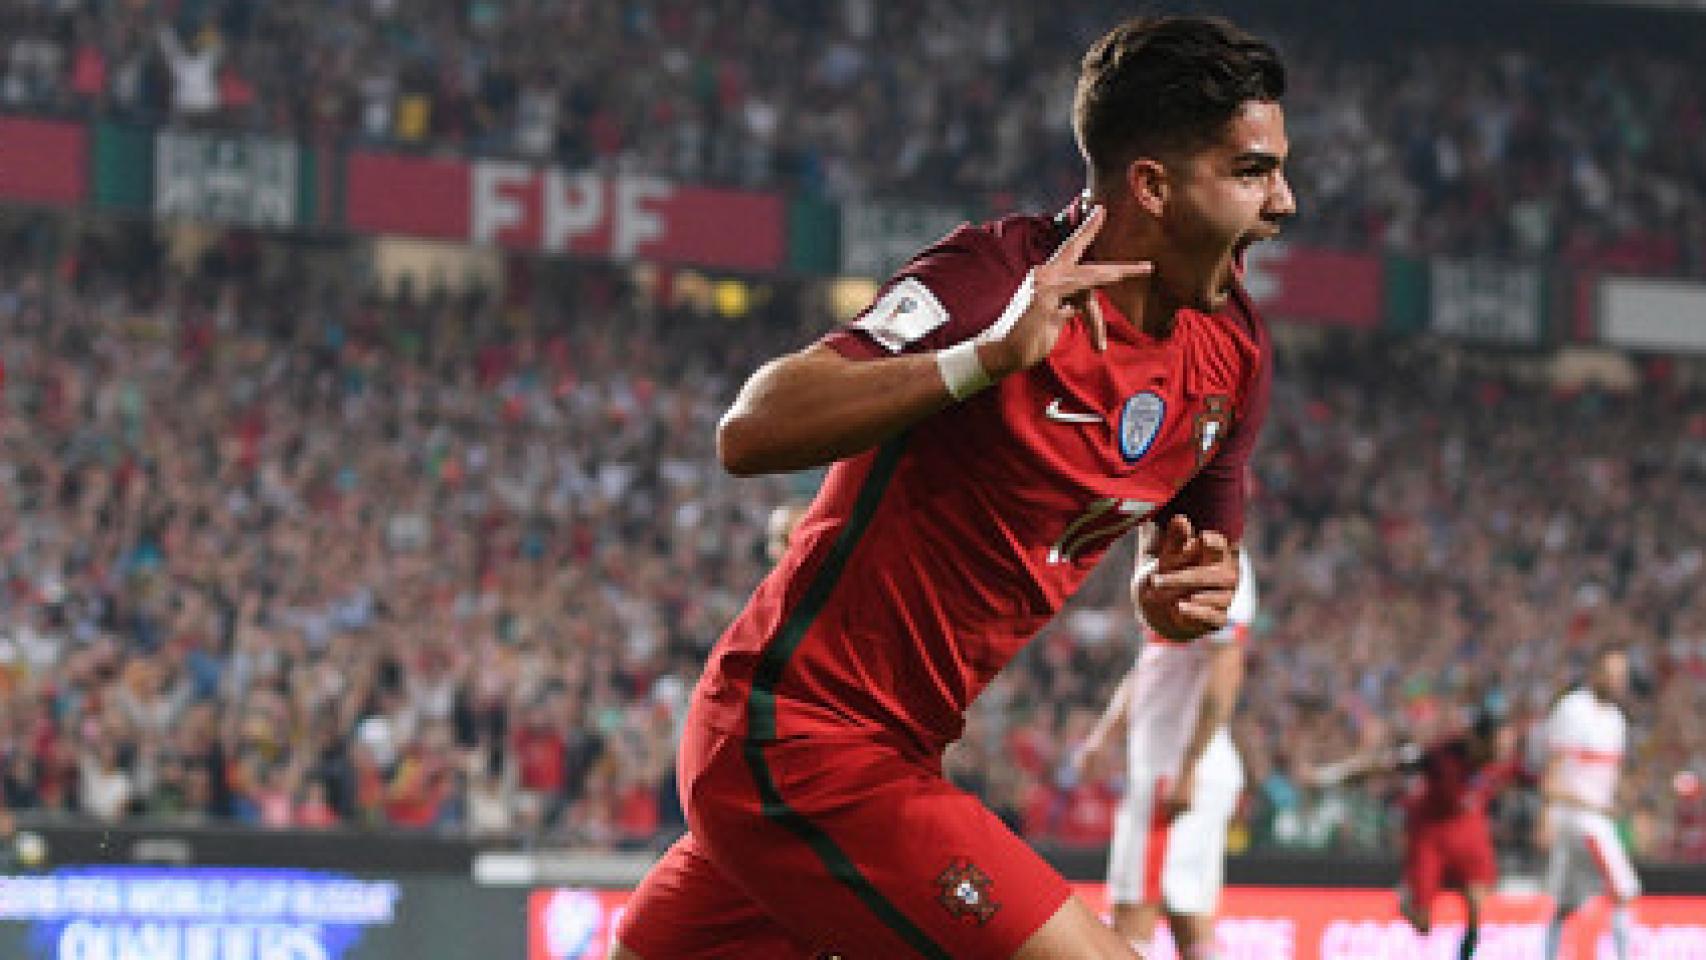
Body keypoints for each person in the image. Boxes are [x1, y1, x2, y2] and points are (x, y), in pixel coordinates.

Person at [614, 14, 1293, 959]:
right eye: (1253, 172)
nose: (1284, 202)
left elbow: (1193, 570)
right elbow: (752, 427)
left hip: (881, 758)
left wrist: (1173, 600)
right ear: (1152, 185)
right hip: (801, 740)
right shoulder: (995, 280)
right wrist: (982, 360)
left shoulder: (1234, 356)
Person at [1074, 550, 1257, 959]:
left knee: (1132, 915)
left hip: (1173, 772)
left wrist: (1189, 766)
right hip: (1171, 767)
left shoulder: (1218, 558)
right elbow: (1150, 665)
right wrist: (1104, 737)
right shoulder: (1172, 554)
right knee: (1186, 918)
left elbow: (1226, 667)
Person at [1306, 710, 1526, 960]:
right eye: (1499, 744)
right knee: (1423, 924)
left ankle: (1468, 949)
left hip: (1468, 830)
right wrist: (1328, 776)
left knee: (1477, 900)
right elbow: (1383, 766)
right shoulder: (1440, 756)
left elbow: (1533, 778)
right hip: (1431, 832)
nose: (1503, 751)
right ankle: (1408, 900)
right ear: (1480, 741)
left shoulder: (1506, 763)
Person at [1541, 644, 1639, 960]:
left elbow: (1613, 774)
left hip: (1596, 818)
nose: (1617, 682)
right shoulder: (1573, 708)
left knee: (1567, 903)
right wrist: (1545, 815)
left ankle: (1549, 954)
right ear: (1595, 673)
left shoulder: (1616, 720)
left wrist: (1626, 801)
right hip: (1579, 818)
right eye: (1611, 674)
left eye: (1622, 676)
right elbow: (1553, 770)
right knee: (1624, 889)